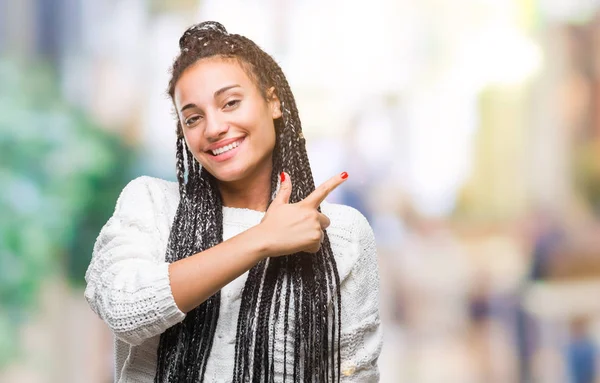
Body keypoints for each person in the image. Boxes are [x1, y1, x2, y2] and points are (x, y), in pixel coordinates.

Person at [84, 21, 382, 382]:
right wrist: (261, 239)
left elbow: (354, 372)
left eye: (231, 103)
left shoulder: (342, 233)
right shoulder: (151, 203)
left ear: (273, 101)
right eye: (193, 118)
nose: (213, 128)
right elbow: (125, 311)